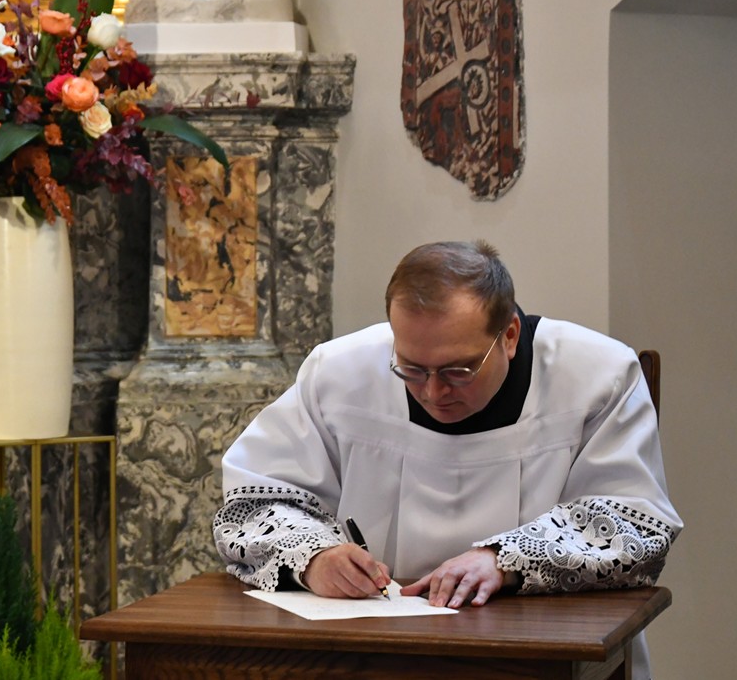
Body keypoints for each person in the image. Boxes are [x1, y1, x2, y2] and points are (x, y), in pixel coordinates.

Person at [213, 240, 682, 678]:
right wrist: (316, 556)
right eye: (412, 369)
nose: (434, 392)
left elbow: (632, 522)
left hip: (543, 654)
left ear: (510, 335)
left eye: (459, 370)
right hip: (372, 649)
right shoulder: (338, 373)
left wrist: (503, 561)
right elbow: (256, 502)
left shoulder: (598, 375)